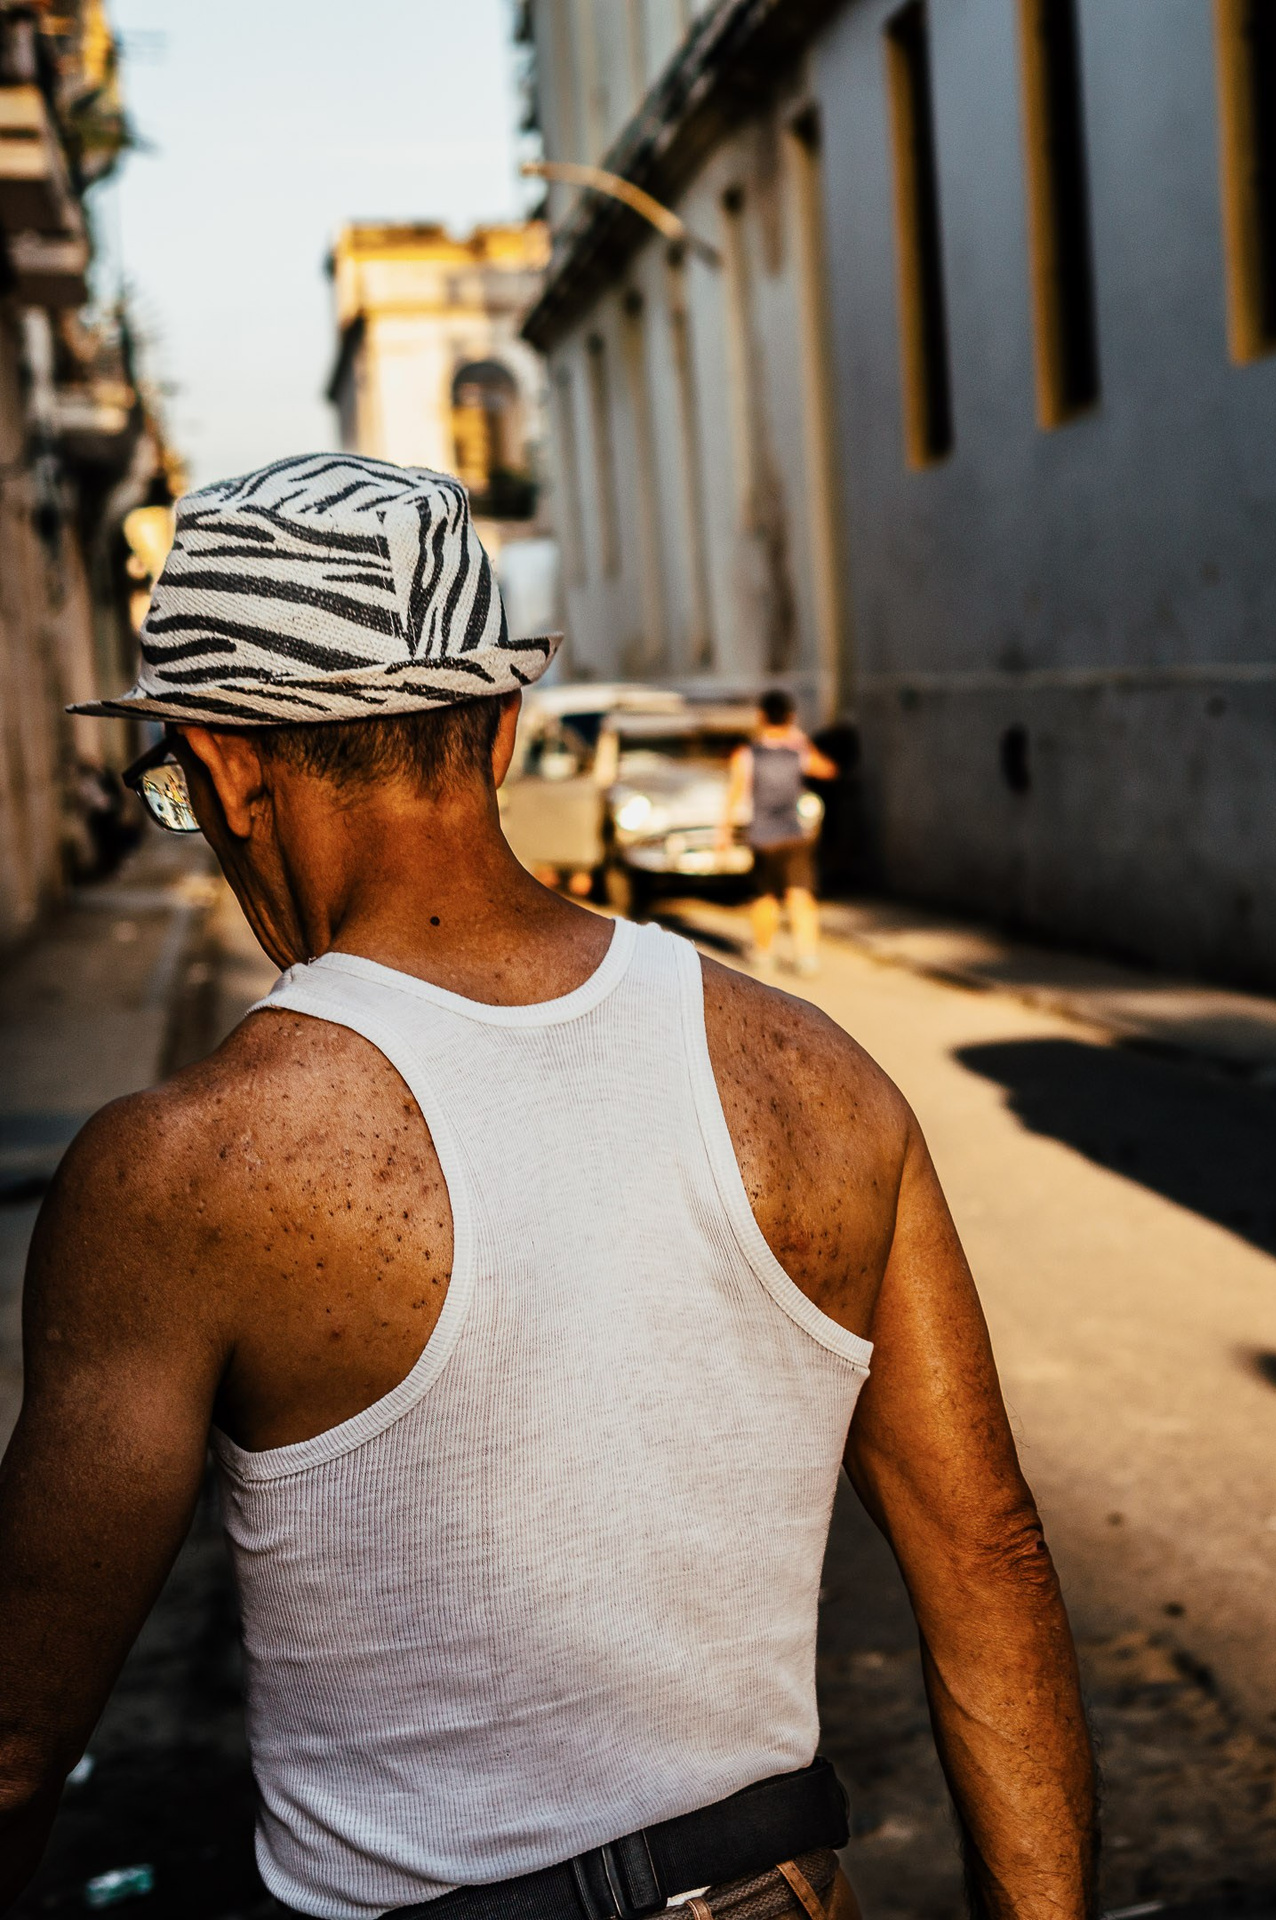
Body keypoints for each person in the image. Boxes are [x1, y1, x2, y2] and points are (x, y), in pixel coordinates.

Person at [0, 455, 1096, 1920]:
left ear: (232, 768)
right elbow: (989, 1556)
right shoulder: (821, 1077)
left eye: (179, 789)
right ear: (503, 730)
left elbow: (17, 1739)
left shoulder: (184, 1172)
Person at [723, 692, 837, 976]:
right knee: (801, 896)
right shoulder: (799, 751)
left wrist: (724, 833)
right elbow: (827, 770)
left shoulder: (747, 754)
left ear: (761, 717)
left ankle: (764, 953)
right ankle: (806, 956)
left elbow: (735, 794)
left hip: (762, 836)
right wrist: (802, 740)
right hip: (794, 834)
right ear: (791, 717)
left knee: (765, 897)